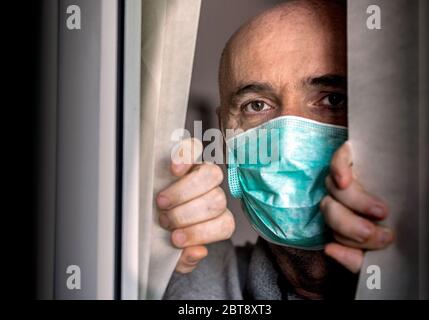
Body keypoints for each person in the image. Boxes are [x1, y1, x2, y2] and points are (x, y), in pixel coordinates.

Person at [157, 0, 394, 299]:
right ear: (226, 141)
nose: (288, 145)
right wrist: (152, 259)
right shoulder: (188, 279)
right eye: (256, 106)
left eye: (333, 100)